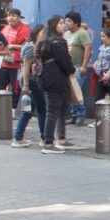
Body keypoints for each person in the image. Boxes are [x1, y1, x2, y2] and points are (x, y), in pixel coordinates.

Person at [38, 16, 76, 153]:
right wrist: (71, 69)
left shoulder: (45, 41)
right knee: (53, 110)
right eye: (61, 23)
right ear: (54, 25)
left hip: (50, 78)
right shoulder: (56, 43)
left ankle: (61, 137)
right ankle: (48, 142)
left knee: (61, 108)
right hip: (55, 79)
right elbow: (65, 62)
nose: (64, 25)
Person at [13, 24, 46, 147]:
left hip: (34, 80)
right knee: (42, 108)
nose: (44, 34)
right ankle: (44, 138)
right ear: (36, 33)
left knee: (28, 110)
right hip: (31, 81)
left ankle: (18, 137)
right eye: (42, 32)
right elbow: (26, 66)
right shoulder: (30, 47)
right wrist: (26, 85)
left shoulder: (38, 46)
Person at [63, 12, 91, 125]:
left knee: (76, 91)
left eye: (69, 21)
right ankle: (73, 114)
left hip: (78, 67)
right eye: (66, 21)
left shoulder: (82, 33)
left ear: (76, 23)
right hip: (68, 68)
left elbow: (88, 49)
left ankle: (81, 114)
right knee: (70, 92)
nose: (66, 23)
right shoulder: (66, 34)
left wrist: (84, 66)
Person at [0, 8, 29, 107]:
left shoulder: (25, 29)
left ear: (19, 18)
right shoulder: (5, 28)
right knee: (1, 86)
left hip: (16, 65)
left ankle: (13, 108)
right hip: (4, 62)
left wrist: (13, 46)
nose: (10, 18)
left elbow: (27, 47)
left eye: (13, 16)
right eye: (9, 15)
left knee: (16, 87)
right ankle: (1, 108)